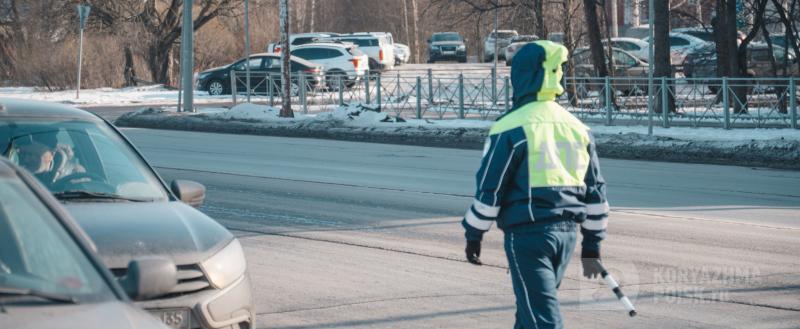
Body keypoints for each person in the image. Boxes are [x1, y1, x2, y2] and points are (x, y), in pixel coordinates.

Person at [461, 40, 609, 329]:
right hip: (566, 236)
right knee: (530, 312)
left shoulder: (510, 127)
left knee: (541, 319)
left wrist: (474, 234)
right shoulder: (578, 128)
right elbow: (596, 192)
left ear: (521, 76)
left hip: (527, 237)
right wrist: (592, 244)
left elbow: (490, 188)